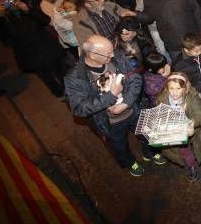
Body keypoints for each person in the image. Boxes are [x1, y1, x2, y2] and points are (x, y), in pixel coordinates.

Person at [64, 35, 166, 177]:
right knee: (120, 146)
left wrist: (126, 103)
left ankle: (150, 152)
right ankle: (130, 162)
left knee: (145, 133)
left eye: (112, 50)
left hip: (133, 109)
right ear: (92, 55)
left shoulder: (116, 56)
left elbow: (135, 78)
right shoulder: (75, 77)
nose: (113, 55)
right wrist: (111, 96)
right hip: (110, 123)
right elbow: (79, 108)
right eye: (108, 54)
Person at [0, 0, 66, 98]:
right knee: (47, 78)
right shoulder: (4, 19)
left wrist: (28, 10)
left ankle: (72, 92)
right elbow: (1, 36)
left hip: (48, 48)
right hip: (30, 55)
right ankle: (60, 95)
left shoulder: (28, 8)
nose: (10, 0)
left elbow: (45, 20)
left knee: (62, 72)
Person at [156, 73, 201, 182]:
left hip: (195, 131)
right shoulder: (162, 99)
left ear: (185, 88)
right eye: (171, 88)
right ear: (167, 88)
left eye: (178, 88)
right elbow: (160, 116)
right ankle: (191, 166)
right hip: (176, 133)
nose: (174, 92)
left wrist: (192, 124)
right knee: (184, 152)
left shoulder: (191, 96)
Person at [130, 0, 201, 61]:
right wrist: (135, 14)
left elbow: (198, 13)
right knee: (181, 72)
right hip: (172, 45)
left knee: (200, 68)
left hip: (192, 42)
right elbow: (149, 18)